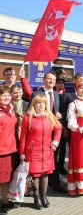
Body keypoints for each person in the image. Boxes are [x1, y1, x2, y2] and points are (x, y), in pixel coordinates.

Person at [19, 70, 67, 193]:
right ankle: (37, 189)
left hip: (53, 134)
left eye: (53, 80)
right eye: (49, 79)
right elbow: (31, 112)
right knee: (37, 164)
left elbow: (63, 112)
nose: (51, 81)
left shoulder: (58, 95)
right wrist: (23, 78)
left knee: (53, 160)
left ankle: (55, 183)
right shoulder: (37, 94)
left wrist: (61, 115)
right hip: (38, 134)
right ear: (44, 80)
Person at [19, 94, 62, 210]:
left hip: (47, 150)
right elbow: (23, 137)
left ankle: (44, 196)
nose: (41, 105)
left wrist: (55, 143)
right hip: (33, 151)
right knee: (36, 175)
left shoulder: (49, 116)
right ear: (34, 104)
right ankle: (36, 198)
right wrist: (22, 154)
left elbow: (58, 129)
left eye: (43, 103)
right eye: (38, 102)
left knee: (45, 174)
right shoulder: (28, 118)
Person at [0, 85, 19, 214]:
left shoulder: (11, 109)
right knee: (2, 179)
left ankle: (5, 201)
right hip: (1, 150)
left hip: (12, 149)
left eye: (8, 95)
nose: (7, 97)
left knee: (6, 178)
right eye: (3, 95)